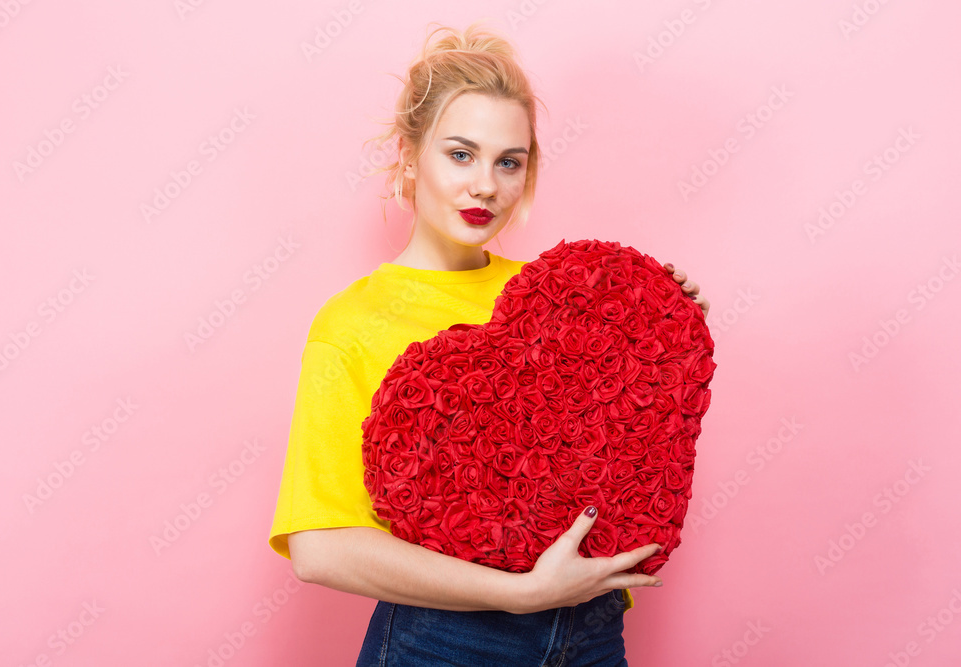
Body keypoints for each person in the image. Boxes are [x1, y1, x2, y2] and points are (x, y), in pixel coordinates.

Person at [267, 22, 711, 666]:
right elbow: (320, 548)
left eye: (509, 162)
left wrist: (665, 328)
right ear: (409, 155)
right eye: (460, 155)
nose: (486, 185)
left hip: (592, 633)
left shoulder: (560, 296)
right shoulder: (353, 323)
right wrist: (521, 594)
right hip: (448, 642)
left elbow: (624, 446)